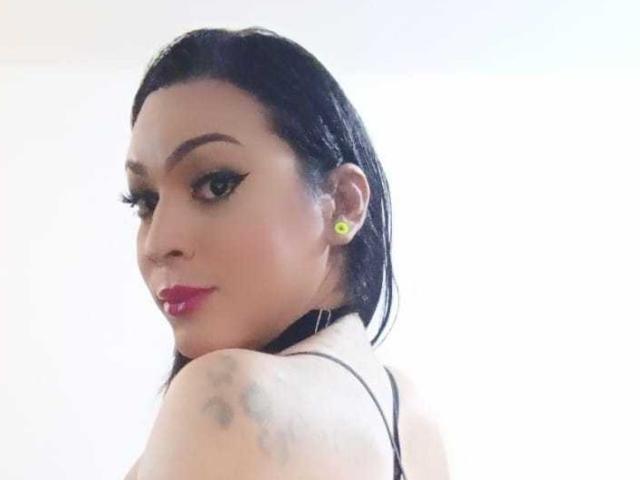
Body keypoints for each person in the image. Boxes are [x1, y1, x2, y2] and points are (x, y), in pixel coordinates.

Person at [121, 26, 450, 479]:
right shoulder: (411, 419)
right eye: (145, 202)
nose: (158, 243)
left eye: (216, 185)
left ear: (343, 203)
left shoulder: (226, 396)